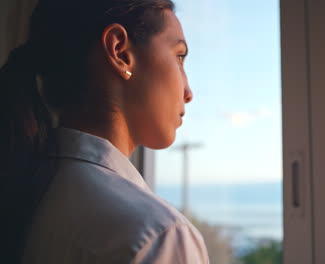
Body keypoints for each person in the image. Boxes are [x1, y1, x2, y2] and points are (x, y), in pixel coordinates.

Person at [0, 0, 209, 263]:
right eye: (179, 56)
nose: (188, 93)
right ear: (120, 52)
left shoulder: (24, 192)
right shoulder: (157, 236)